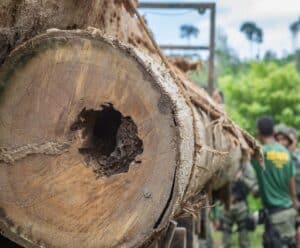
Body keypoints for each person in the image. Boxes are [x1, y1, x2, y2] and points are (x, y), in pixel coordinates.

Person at [252, 116, 298, 247]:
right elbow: (292, 185)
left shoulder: (259, 154)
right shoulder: (286, 152)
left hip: (275, 217)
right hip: (289, 212)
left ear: (259, 132)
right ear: (273, 131)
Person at [217, 162, 257, 248]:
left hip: (241, 205)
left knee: (244, 240)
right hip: (226, 206)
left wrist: (241, 178)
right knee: (225, 241)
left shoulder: (245, 166)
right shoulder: (224, 163)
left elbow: (254, 188)